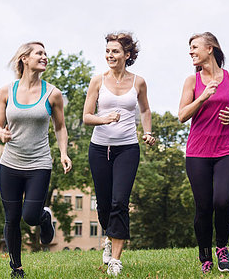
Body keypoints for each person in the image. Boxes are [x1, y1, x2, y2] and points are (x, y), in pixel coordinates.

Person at [0, 41, 72, 278]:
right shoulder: (7, 91)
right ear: (24, 59)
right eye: (39, 53)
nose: (45, 57)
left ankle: (44, 217)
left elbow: (60, 127)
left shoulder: (53, 93)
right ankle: (16, 268)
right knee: (12, 218)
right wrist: (0, 133)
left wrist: (63, 153)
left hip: (39, 164)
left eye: (46, 54)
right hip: (10, 164)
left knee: (30, 216)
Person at [83, 32, 156, 276]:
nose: (110, 55)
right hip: (99, 149)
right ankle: (109, 237)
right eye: (107, 51)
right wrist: (104, 120)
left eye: (115, 51)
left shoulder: (139, 82)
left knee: (119, 202)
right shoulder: (97, 81)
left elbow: (145, 110)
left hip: (127, 148)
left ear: (127, 55)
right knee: (104, 205)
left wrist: (147, 132)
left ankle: (115, 259)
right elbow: (86, 117)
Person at [178, 32, 229, 274]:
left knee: (223, 200)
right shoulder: (192, 81)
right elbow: (182, 115)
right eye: (190, 48)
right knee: (204, 206)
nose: (190, 51)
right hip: (198, 152)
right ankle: (205, 256)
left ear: (210, 49)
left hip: (227, 149)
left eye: (194, 47)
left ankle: (222, 248)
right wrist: (203, 97)